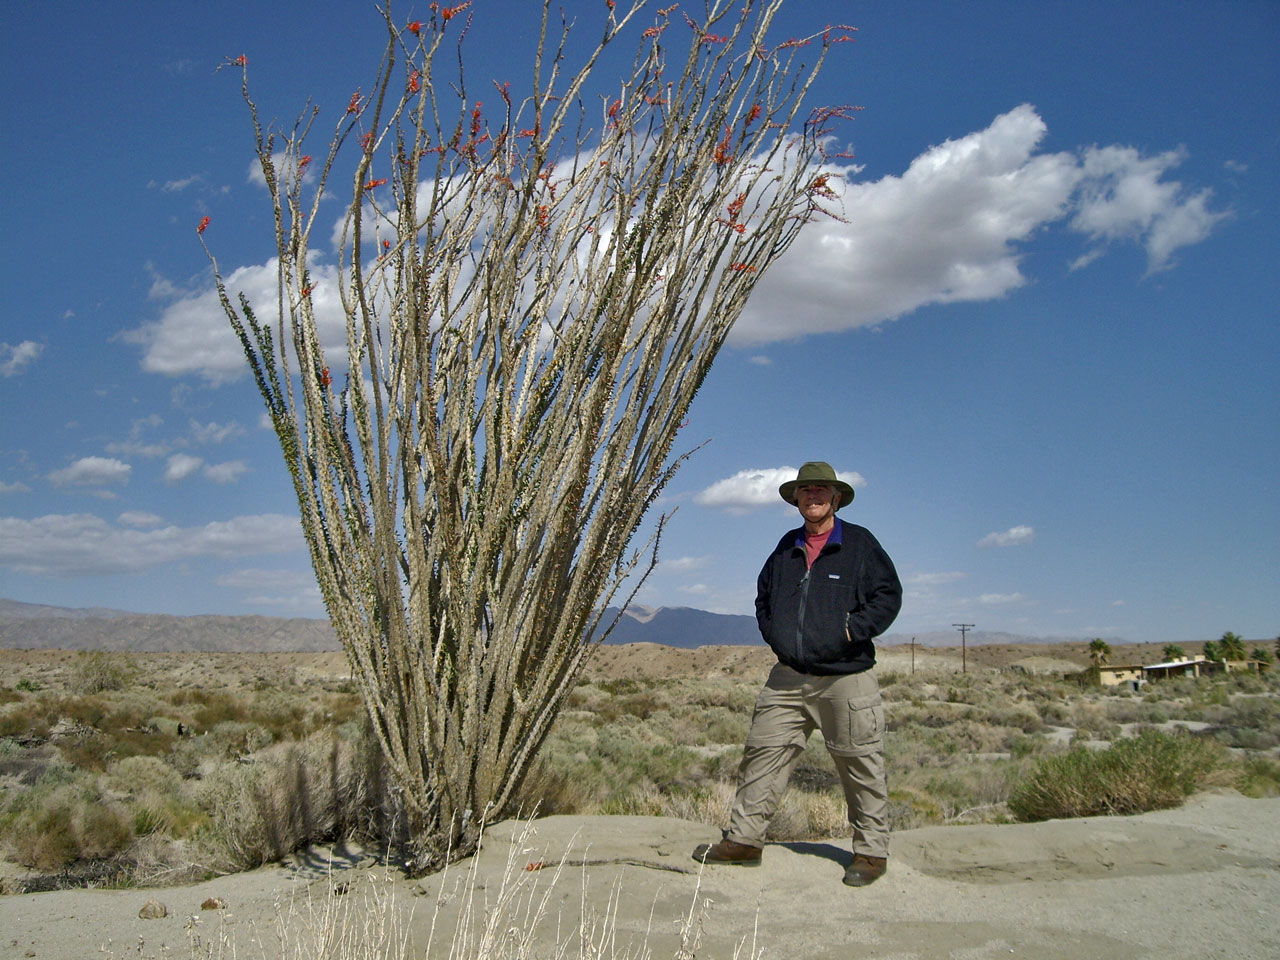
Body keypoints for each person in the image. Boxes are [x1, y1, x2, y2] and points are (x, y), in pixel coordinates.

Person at [693, 461, 902, 887]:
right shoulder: (786, 546)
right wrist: (778, 637)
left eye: (822, 490)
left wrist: (849, 631)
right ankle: (745, 841)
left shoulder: (860, 544)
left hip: (845, 676)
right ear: (796, 499)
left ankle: (870, 852)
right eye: (806, 491)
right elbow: (763, 598)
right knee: (763, 754)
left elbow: (887, 596)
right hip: (788, 675)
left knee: (859, 761)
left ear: (836, 498)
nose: (814, 497)